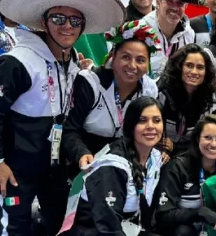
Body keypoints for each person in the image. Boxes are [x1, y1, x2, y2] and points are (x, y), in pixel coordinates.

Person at [0, 0, 125, 236]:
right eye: (59, 18)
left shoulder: (69, 60)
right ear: (44, 21)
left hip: (55, 163)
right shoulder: (18, 61)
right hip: (17, 166)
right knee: (16, 230)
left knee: (64, 223)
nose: (67, 26)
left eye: (75, 20)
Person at [55, 97, 174, 236]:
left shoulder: (154, 158)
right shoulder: (113, 164)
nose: (151, 127)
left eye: (156, 120)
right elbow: (107, 223)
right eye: (142, 120)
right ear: (130, 125)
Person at [62, 20, 161, 171]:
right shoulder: (90, 82)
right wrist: (81, 153)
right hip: (84, 159)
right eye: (126, 57)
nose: (132, 66)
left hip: (124, 160)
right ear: (113, 58)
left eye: (140, 60)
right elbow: (70, 129)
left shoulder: (149, 89)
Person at [157, 44, 216, 157]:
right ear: (179, 67)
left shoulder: (211, 100)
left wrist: (175, 148)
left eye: (200, 67)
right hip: (161, 153)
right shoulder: (161, 94)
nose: (194, 72)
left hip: (192, 154)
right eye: (189, 66)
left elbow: (207, 140)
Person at [142, 0, 196, 79]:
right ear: (158, 3)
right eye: (169, 1)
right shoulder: (140, 29)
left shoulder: (189, 34)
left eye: (180, 3)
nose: (175, 8)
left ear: (186, 6)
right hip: (145, 91)